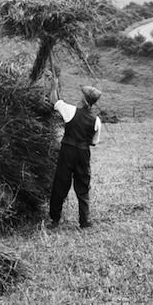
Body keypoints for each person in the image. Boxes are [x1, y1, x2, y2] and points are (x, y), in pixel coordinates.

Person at [48, 75, 102, 229]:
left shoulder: (70, 110)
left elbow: (54, 101)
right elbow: (94, 142)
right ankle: (84, 222)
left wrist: (54, 86)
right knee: (83, 187)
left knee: (60, 185)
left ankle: (54, 220)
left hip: (67, 153)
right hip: (83, 155)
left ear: (84, 99)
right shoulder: (96, 120)